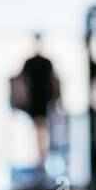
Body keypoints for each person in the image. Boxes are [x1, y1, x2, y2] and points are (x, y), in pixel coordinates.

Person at [19, 34, 61, 174]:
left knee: (42, 130)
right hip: (36, 101)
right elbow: (21, 81)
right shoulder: (30, 62)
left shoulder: (45, 62)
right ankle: (40, 159)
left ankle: (42, 159)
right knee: (39, 130)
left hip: (43, 100)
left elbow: (53, 80)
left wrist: (56, 99)